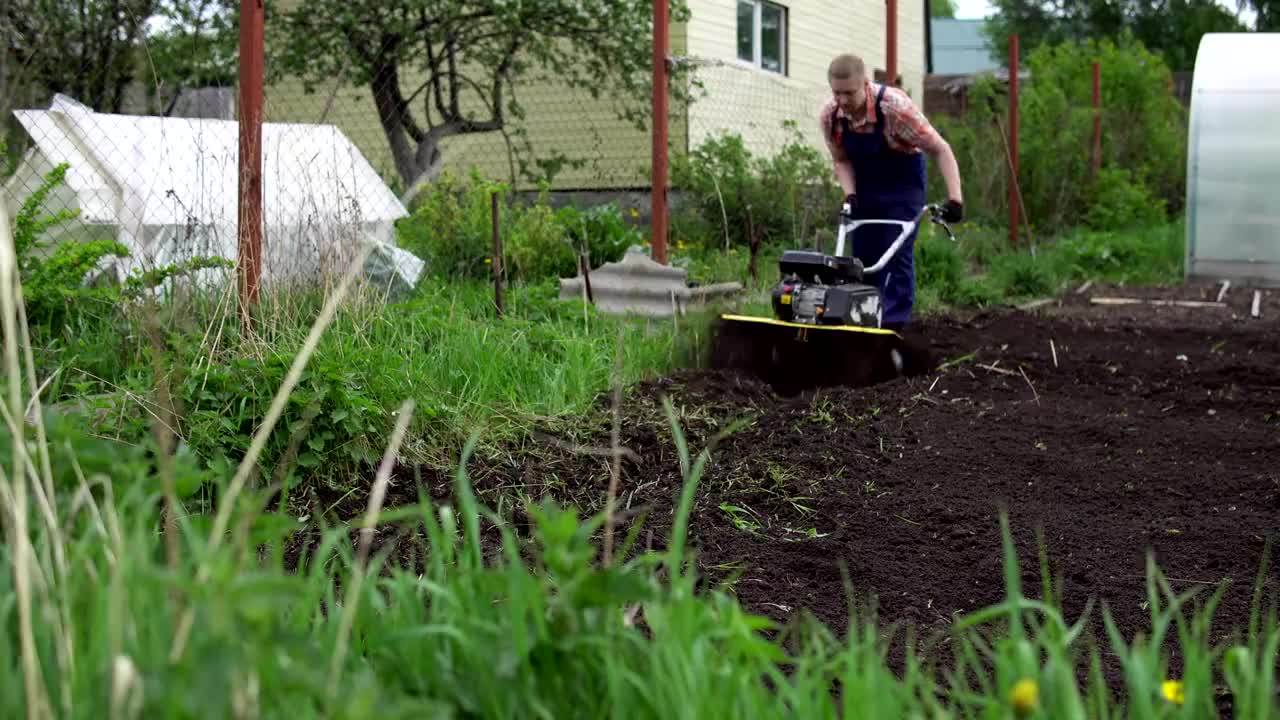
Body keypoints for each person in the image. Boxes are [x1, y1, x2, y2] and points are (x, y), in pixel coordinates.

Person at [819, 53, 964, 332]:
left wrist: (955, 199)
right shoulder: (830, 115)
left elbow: (940, 149)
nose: (843, 100)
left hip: (903, 181)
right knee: (861, 258)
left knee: (896, 254)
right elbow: (841, 160)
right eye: (837, 93)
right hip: (864, 184)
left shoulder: (895, 108)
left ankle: (894, 327)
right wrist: (849, 194)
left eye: (849, 92)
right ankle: (861, 321)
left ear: (864, 83)